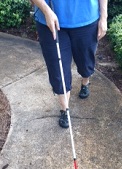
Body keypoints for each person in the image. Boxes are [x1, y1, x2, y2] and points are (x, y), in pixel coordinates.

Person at [31, 0, 108, 128]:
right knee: (58, 69)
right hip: (49, 20)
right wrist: (45, 9)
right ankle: (64, 109)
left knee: (85, 63)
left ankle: (85, 81)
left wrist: (104, 17)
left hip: (86, 19)